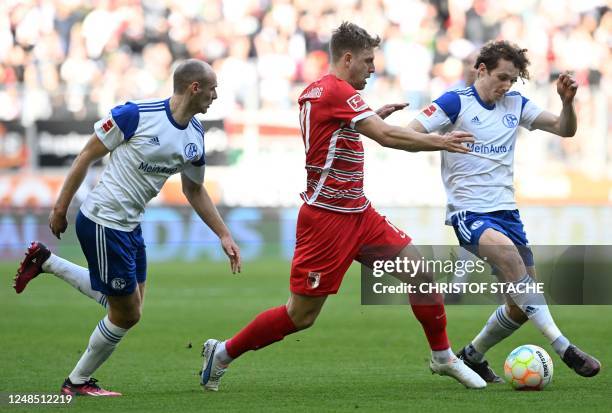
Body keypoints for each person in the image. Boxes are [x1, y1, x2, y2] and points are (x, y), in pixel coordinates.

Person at [199, 22, 486, 392]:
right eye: (367, 61)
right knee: (300, 316)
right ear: (347, 58)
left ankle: (443, 357)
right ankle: (222, 353)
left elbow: (337, 134)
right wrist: (438, 141)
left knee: (420, 273)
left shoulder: (322, 91)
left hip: (359, 215)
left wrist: (373, 117)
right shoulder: (336, 91)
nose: (372, 68)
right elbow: (384, 138)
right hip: (327, 222)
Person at [13, 59, 242, 396]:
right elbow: (85, 156)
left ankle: (46, 261)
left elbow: (194, 189)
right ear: (195, 88)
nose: (216, 96)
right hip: (103, 221)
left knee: (127, 306)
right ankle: (76, 382)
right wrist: (60, 208)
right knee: (126, 314)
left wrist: (223, 233)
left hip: (130, 225)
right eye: (213, 88)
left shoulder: (195, 135)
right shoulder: (135, 115)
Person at [409, 40, 601, 382]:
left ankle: (472, 355)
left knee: (521, 305)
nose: (506, 85)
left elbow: (564, 129)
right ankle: (564, 347)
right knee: (512, 261)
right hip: (468, 213)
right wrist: (442, 140)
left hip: (507, 213)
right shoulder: (456, 102)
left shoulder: (515, 103)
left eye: (512, 79)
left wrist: (567, 103)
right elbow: (409, 134)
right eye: (501, 77)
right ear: (481, 70)